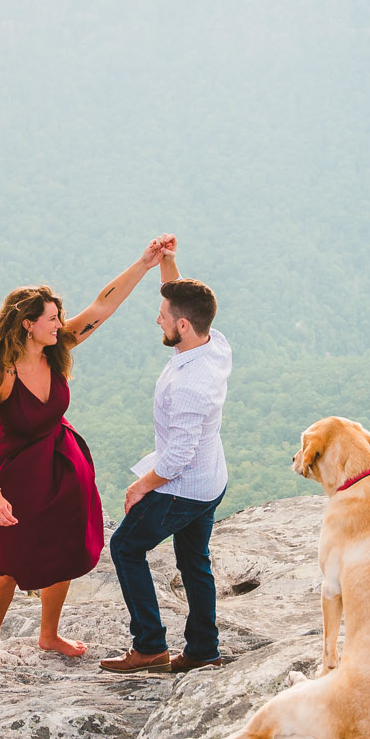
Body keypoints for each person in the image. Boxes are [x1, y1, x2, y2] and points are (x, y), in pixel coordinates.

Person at [0, 237, 175, 672]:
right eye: (52, 319)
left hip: (62, 466)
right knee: (9, 563)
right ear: (27, 325)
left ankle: (48, 633)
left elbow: (101, 308)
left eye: (59, 319)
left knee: (63, 551)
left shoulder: (56, 351)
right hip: (16, 474)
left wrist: (146, 263)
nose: (60, 325)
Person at [100, 250, 232, 674]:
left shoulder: (193, 383)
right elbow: (182, 299)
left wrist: (141, 486)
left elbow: (177, 457)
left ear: (182, 325)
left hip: (184, 489)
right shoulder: (214, 343)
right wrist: (166, 265)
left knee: (124, 547)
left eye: (163, 314)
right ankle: (202, 649)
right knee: (194, 561)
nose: (157, 319)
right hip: (211, 481)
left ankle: (150, 645)